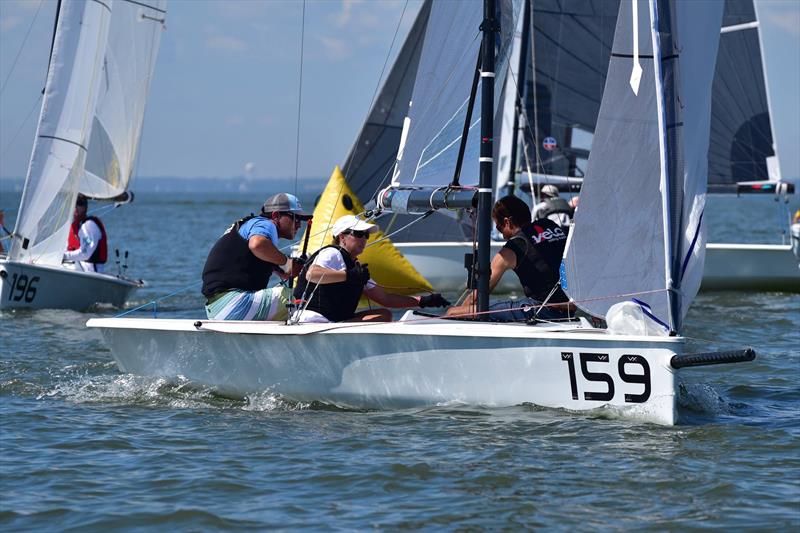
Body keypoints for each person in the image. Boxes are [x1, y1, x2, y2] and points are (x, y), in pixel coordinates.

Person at [292, 214, 450, 323]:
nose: (364, 239)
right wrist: (348, 276)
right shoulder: (332, 253)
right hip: (313, 321)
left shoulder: (356, 269)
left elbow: (386, 299)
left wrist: (424, 301)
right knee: (384, 317)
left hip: (332, 322)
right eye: (358, 234)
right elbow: (312, 274)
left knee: (384, 314)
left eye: (366, 235)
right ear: (342, 237)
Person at [446, 195, 570, 322]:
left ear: (507, 222)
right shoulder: (550, 225)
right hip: (570, 309)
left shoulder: (513, 247)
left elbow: (478, 295)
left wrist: (461, 314)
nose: (502, 234)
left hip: (541, 311)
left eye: (499, 227)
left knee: (452, 312)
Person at [201, 192, 311, 321]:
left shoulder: (252, 228)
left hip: (217, 309)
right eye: (295, 218)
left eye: (301, 220)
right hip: (234, 304)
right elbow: (257, 245)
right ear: (276, 215)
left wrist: (289, 269)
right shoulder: (266, 224)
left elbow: (282, 270)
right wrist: (287, 263)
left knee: (283, 293)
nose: (299, 224)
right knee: (299, 297)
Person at [63, 194, 108, 272]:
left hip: (91, 272)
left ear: (85, 208)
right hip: (76, 268)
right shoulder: (74, 227)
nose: (75, 207)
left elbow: (85, 253)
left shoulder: (89, 226)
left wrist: (64, 256)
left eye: (80, 204)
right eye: (74, 204)